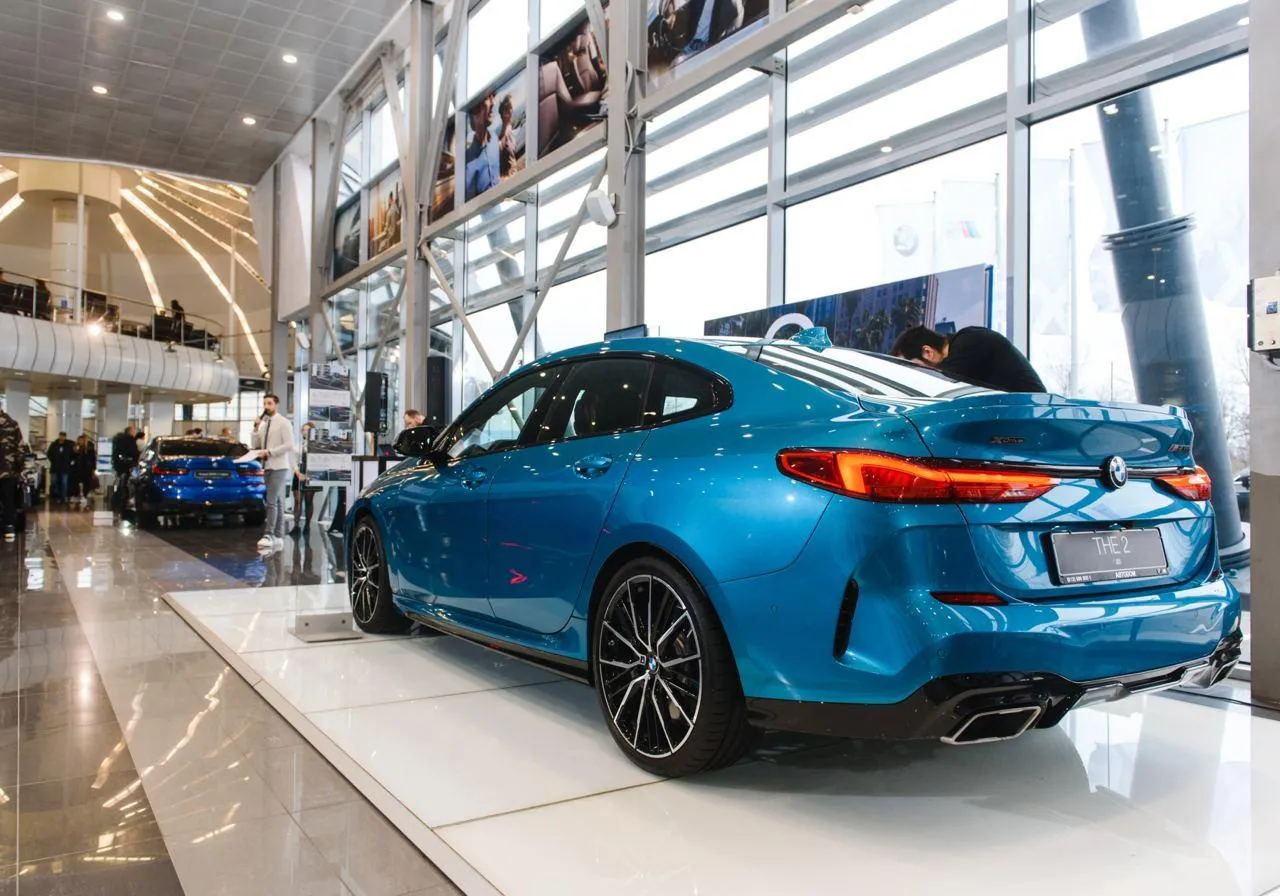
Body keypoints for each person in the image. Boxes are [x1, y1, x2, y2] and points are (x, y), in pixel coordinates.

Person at [890, 325, 1047, 393]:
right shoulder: (966, 342)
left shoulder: (967, 343)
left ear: (927, 352)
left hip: (1032, 416)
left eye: (914, 366)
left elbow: (942, 391)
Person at [252, 393, 295, 553]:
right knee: (276, 501)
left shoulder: (283, 423)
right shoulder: (265, 425)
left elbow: (289, 445)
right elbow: (256, 443)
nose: (266, 406)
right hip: (268, 466)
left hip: (279, 466)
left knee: (270, 500)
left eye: (269, 403)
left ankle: (268, 534)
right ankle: (278, 535)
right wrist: (256, 428)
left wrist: (270, 452)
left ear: (276, 404)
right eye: (264, 403)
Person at [0, 404, 24, 542]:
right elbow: (20, 449)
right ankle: (8, 527)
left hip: (7, 470)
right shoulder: (12, 423)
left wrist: (19, 468)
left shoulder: (12, 424)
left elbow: (20, 448)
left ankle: (8, 526)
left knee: (8, 499)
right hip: (8, 470)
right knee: (8, 499)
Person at [292, 422, 315, 539]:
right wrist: (297, 473)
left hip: (311, 475)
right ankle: (296, 526)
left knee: (309, 500)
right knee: (297, 500)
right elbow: (293, 461)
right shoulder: (297, 446)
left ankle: (307, 525)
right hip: (298, 474)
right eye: (304, 430)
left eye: (308, 430)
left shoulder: (315, 446)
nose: (305, 432)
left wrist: (308, 475)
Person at [111, 425, 140, 511]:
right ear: (130, 431)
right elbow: (134, 453)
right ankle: (126, 501)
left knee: (121, 484)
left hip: (120, 466)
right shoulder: (130, 440)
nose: (135, 433)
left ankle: (117, 503)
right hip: (129, 466)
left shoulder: (119, 440)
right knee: (131, 483)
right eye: (134, 430)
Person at [46, 432, 75, 504]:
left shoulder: (69, 445)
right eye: (61, 436)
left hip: (65, 467)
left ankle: (63, 497)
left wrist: (70, 461)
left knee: (64, 483)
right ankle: (57, 496)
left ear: (65, 437)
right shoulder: (54, 444)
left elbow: (73, 454)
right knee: (54, 482)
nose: (62, 437)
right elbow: (49, 453)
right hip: (55, 467)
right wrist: (53, 460)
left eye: (63, 436)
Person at [71, 434, 97, 508]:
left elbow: (93, 459)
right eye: (79, 440)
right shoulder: (77, 447)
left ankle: (84, 496)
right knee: (76, 482)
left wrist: (93, 468)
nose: (80, 441)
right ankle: (77, 495)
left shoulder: (89, 448)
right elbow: (73, 456)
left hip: (86, 468)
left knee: (86, 482)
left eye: (82, 440)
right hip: (77, 468)